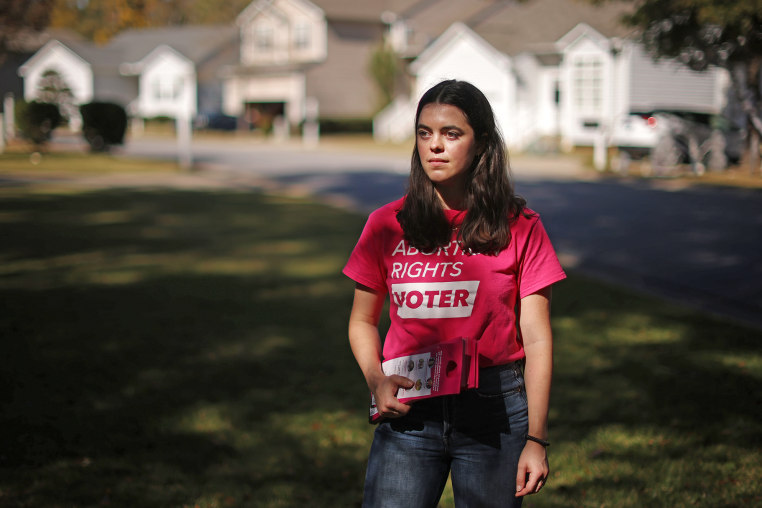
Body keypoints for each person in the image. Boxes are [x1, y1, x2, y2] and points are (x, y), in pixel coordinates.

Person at [343, 79, 566, 507]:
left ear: (481, 143)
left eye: (451, 134)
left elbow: (537, 338)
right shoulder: (387, 223)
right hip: (409, 410)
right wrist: (376, 380)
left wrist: (537, 437)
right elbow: (361, 320)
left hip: (493, 412)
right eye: (425, 133)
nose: (435, 146)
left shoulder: (520, 225)